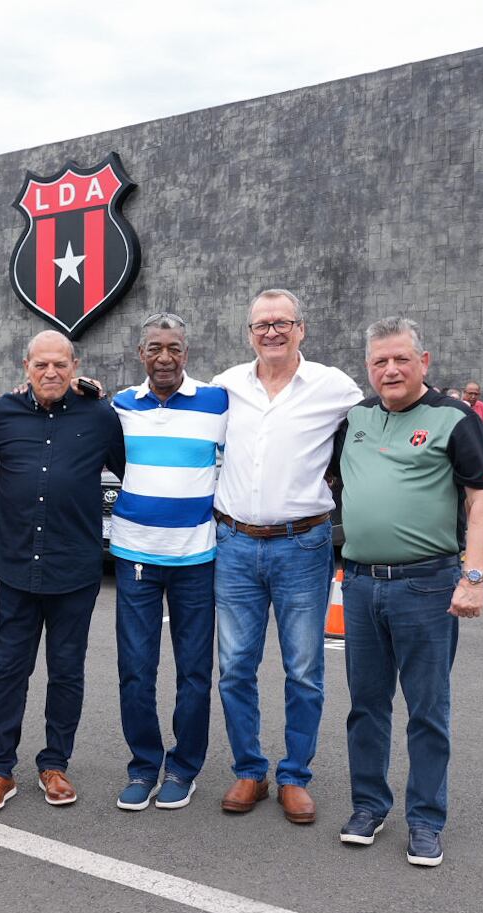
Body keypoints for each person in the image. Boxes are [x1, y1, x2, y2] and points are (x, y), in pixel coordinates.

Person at [337, 317, 483, 867]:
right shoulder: (355, 418)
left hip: (427, 585)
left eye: (401, 358)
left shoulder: (453, 419)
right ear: (369, 367)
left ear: (423, 362)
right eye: (380, 361)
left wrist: (473, 577)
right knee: (366, 706)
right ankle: (368, 806)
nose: (391, 369)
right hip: (358, 584)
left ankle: (426, 820)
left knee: (427, 710)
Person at [213, 289, 362, 824]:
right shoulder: (225, 386)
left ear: (302, 328)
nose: (271, 331)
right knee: (234, 667)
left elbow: (381, 421)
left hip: (304, 544)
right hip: (232, 544)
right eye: (261, 325)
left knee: (303, 668)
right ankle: (249, 770)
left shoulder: (334, 386)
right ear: (249, 332)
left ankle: (295, 775)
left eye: (282, 322)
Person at [0, 330, 125, 812]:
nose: (51, 373)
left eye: (60, 364)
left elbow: (132, 470)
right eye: (41, 365)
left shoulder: (100, 414)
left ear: (75, 365)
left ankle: (54, 764)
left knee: (66, 672)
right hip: (16, 567)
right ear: (26, 367)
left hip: (74, 568)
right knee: (9, 670)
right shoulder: (2, 414)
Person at [109, 313, 228, 811]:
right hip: (135, 553)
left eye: (174, 348)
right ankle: (142, 765)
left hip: (197, 556)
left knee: (195, 671)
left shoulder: (218, 402)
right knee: (136, 669)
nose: (164, 357)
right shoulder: (119, 405)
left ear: (187, 351)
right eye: (155, 348)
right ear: (141, 354)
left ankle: (183, 768)